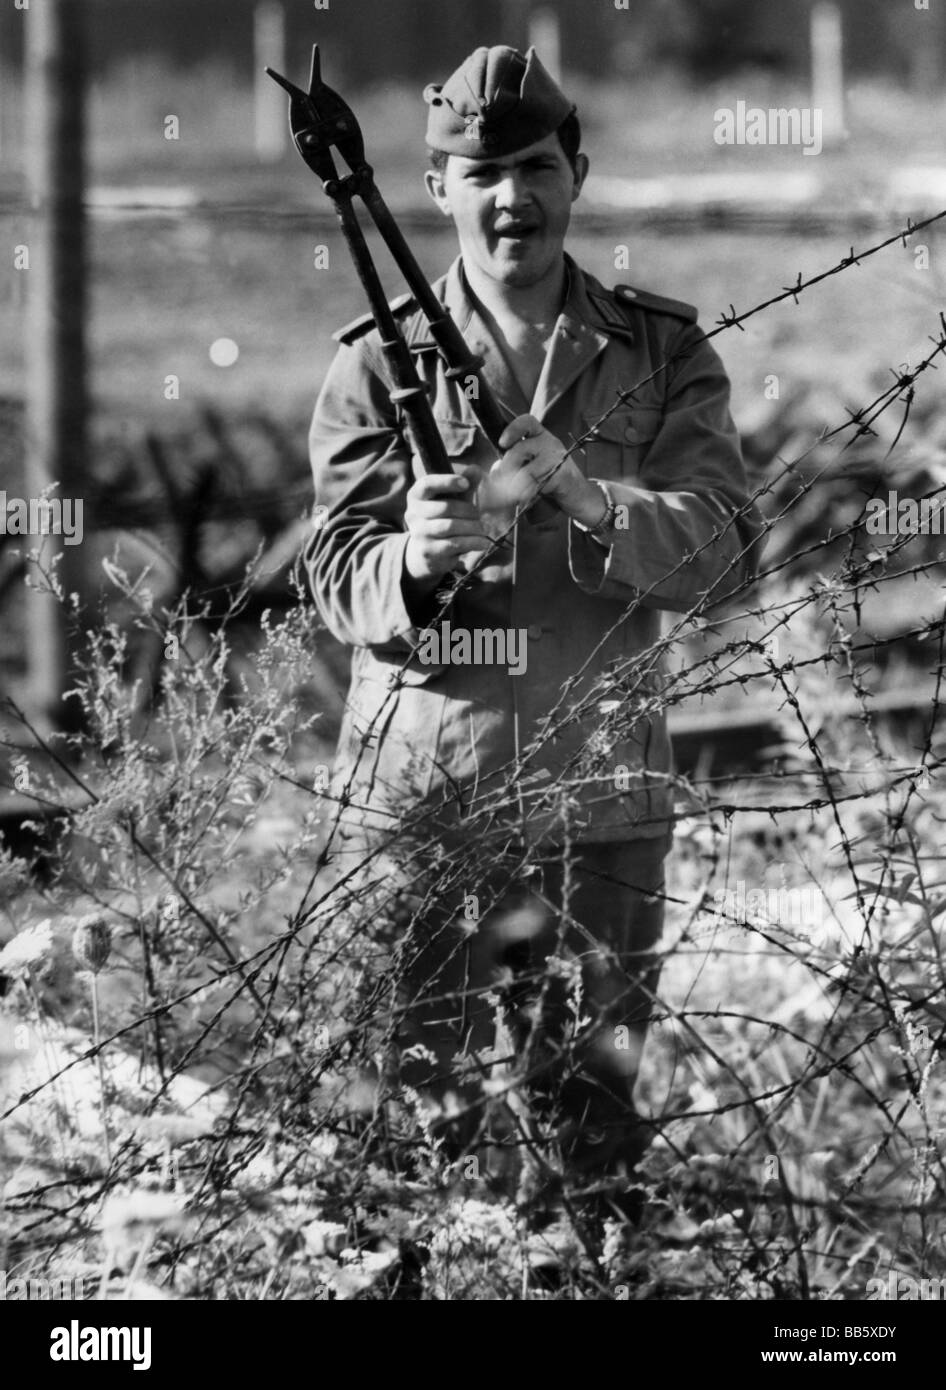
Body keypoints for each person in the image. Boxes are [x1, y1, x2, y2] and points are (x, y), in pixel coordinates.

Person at [304, 44, 764, 1224]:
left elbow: (722, 553)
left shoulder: (661, 354)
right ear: (438, 187)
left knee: (588, 1147)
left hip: (598, 802)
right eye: (484, 171)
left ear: (578, 174)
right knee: (413, 1144)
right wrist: (410, 561)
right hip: (429, 805)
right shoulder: (374, 363)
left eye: (535, 167)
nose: (512, 196)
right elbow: (332, 571)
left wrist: (590, 497)